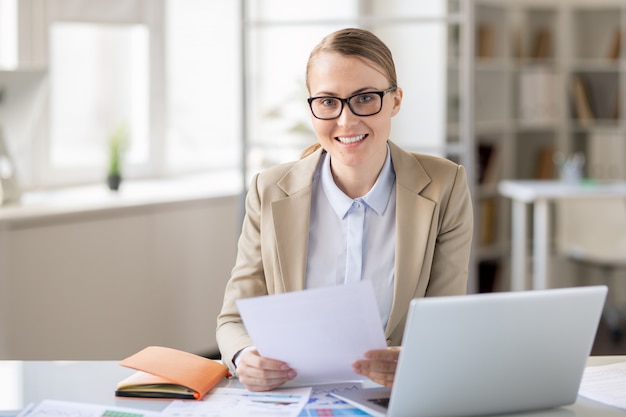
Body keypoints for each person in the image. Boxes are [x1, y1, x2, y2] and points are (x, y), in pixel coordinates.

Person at [216, 27, 473, 392]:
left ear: (396, 101)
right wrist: (245, 357)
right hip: (294, 394)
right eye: (327, 101)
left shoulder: (445, 185)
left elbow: (446, 322)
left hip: (397, 397)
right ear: (312, 107)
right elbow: (232, 320)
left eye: (365, 98)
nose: (346, 120)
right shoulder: (269, 191)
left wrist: (418, 359)